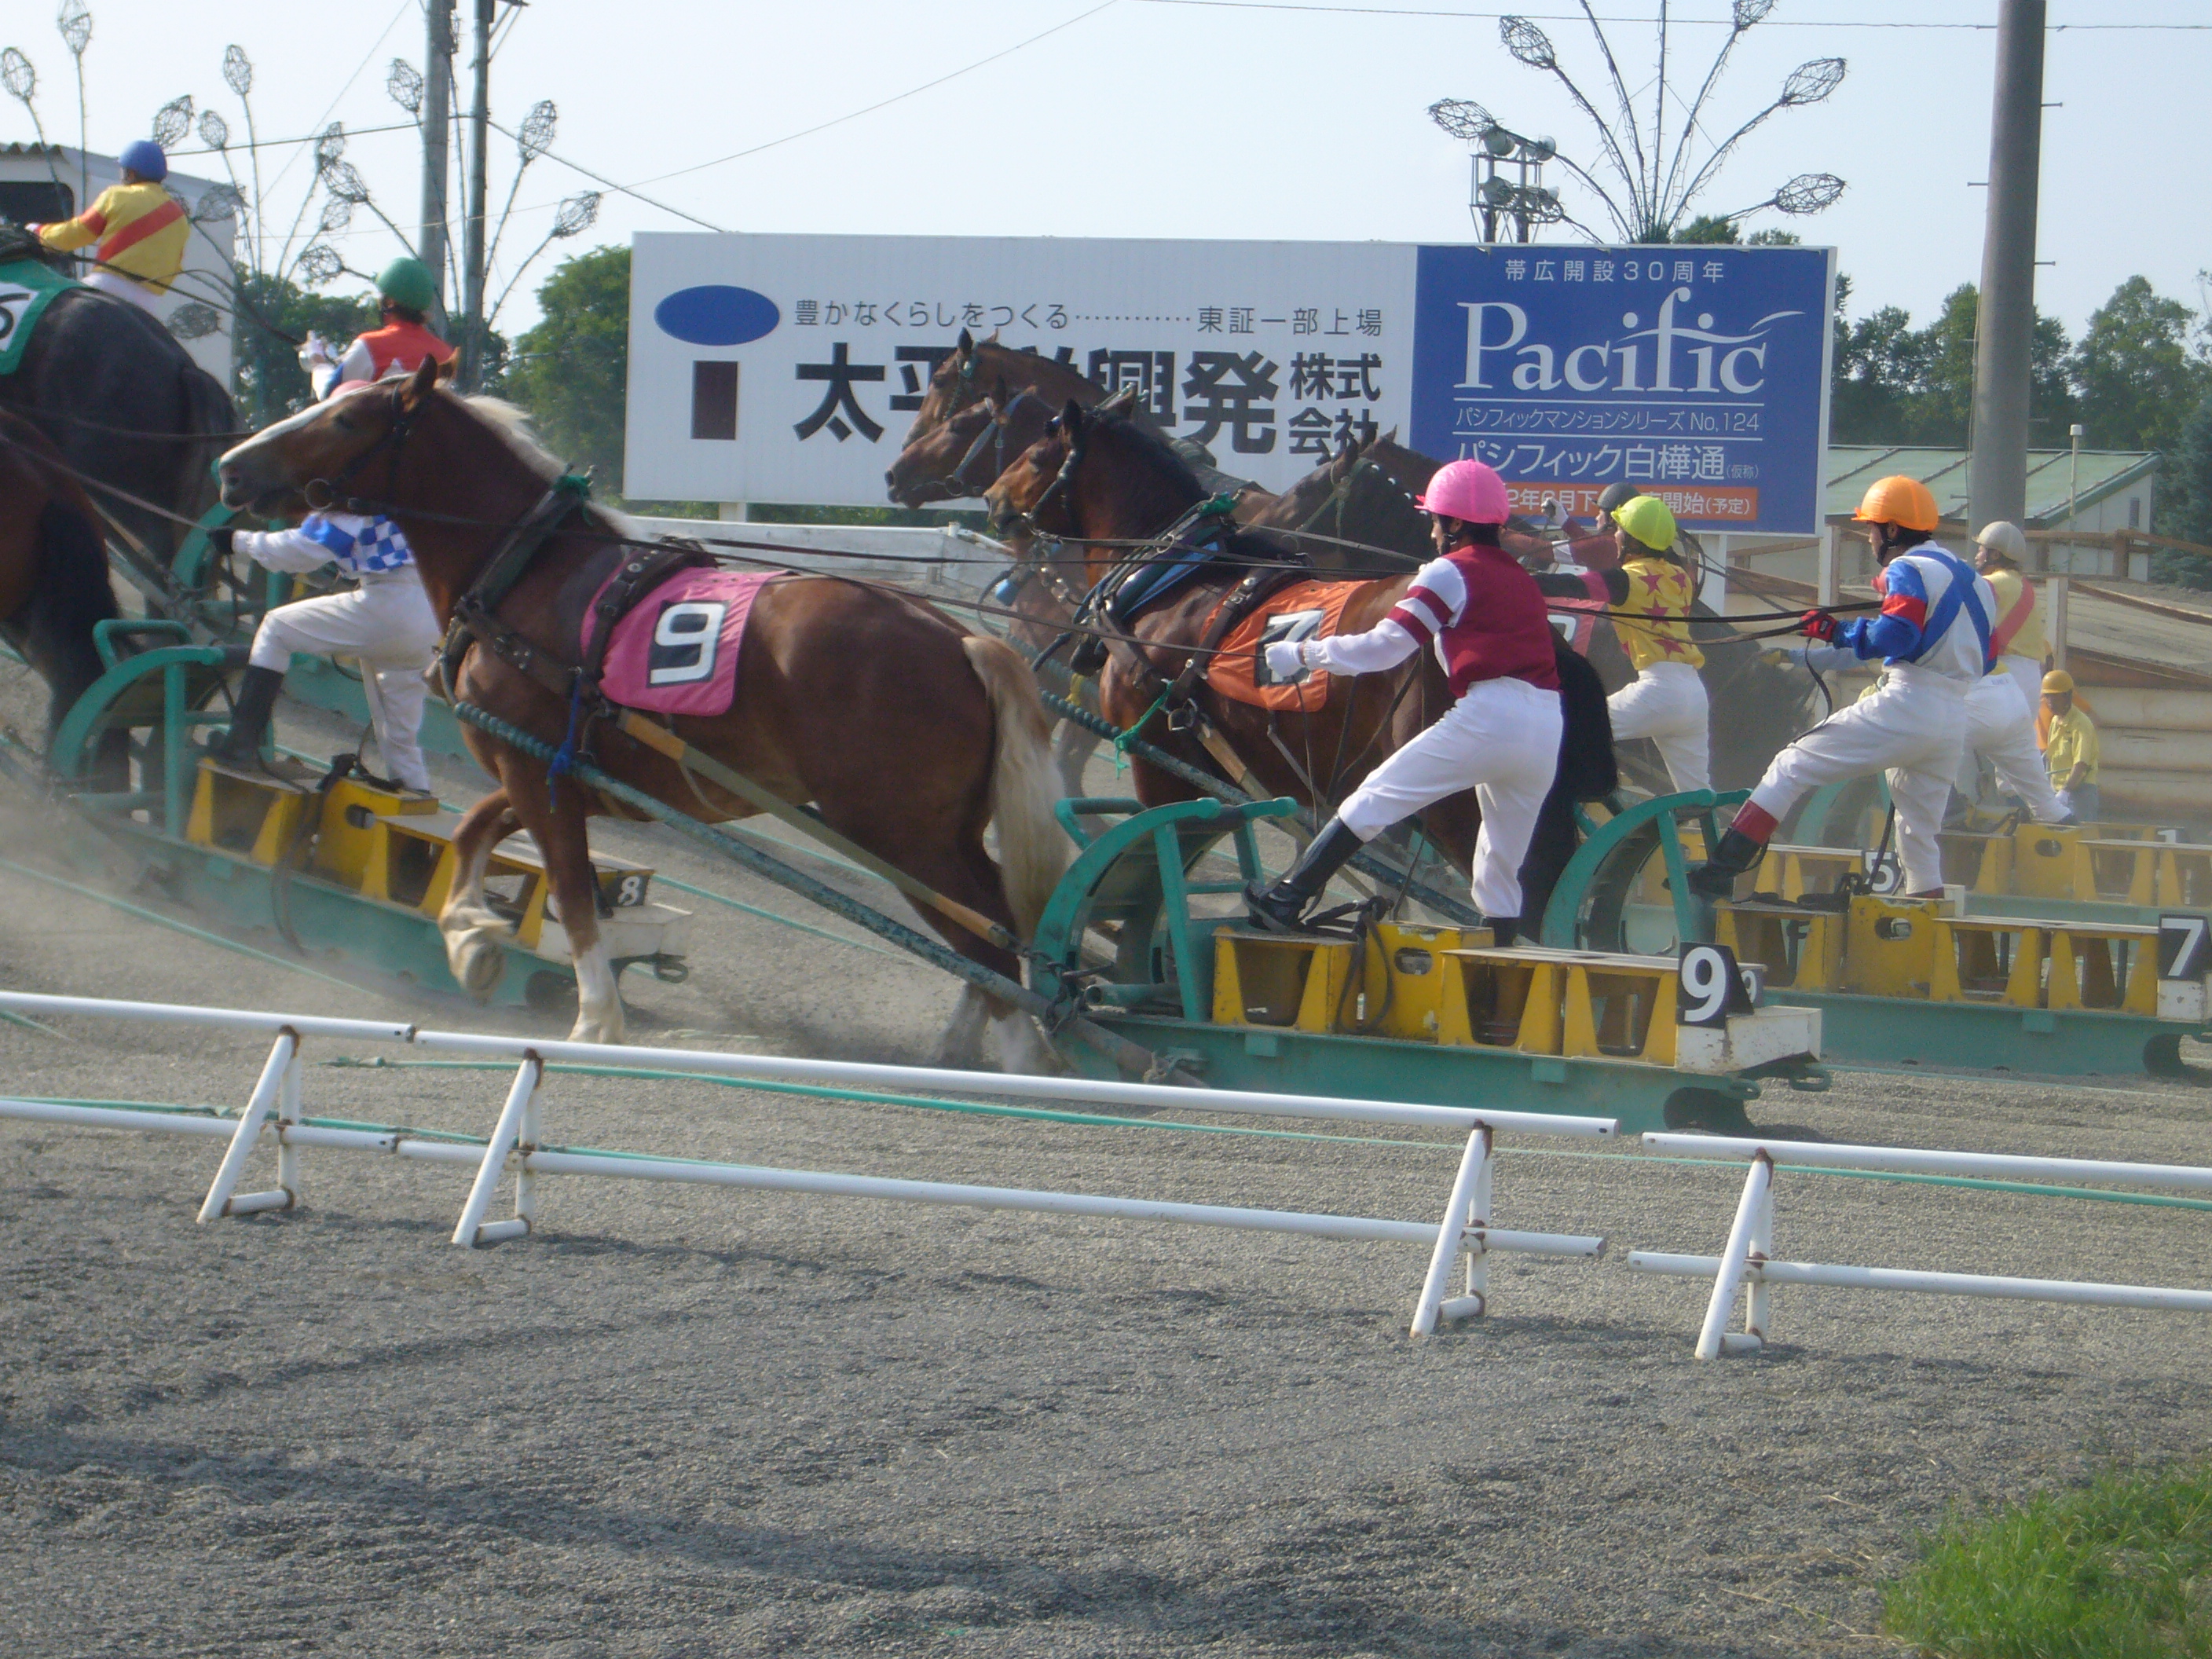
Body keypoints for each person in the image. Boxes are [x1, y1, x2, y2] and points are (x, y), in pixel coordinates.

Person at [1245, 457, 1562, 943]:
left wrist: (1304, 652)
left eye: (1436, 519)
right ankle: (1502, 958)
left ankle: (1288, 897)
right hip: (1546, 724)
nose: (1433, 529)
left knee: (1376, 797)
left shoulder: (1448, 571)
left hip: (1490, 714)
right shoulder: (1520, 578)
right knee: (1500, 863)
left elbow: (1385, 647)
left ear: (1455, 523)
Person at [1689, 475, 1995, 900]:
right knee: (1918, 835)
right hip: (1953, 718)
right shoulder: (1973, 579)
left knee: (1790, 765)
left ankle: (1722, 870)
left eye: (1871, 528)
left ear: (1891, 529)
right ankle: (1927, 932)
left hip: (1910, 702)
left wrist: (1837, 630)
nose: (1869, 539)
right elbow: (1989, 654)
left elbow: (1895, 637)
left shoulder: (1906, 569)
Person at [203, 484, 441, 793]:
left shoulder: (353, 499)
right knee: (398, 733)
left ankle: (239, 744)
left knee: (276, 629)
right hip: (430, 616)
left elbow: (304, 551)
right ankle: (415, 793)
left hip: (389, 603)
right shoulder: (406, 496)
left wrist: (239, 541)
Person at [1540, 493, 1708, 793]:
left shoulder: (1625, 579)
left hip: (1657, 692)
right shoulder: (1682, 576)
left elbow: (1570, 585)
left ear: (1632, 540)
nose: (1614, 535)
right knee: (1697, 796)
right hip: (1694, 697)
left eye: (1619, 530)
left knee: (1562, 732)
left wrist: (1507, 579)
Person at [27, 140, 188, 314]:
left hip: (108, 285)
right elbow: (176, 264)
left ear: (131, 173)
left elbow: (79, 232)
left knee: (45, 311)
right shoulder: (179, 216)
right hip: (149, 302)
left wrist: (39, 233)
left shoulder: (117, 196)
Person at [299, 258, 456, 399]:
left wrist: (317, 362)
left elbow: (330, 394)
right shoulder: (445, 353)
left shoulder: (371, 345)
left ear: (389, 302)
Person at [2042, 669, 2100, 823]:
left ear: (2067, 696)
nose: (2050, 703)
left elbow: (2081, 764)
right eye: (2047, 697)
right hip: (2058, 792)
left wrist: (2066, 791)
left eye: (2055, 697)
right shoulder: (2056, 721)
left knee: (2078, 840)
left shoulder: (2081, 723)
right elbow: (2051, 756)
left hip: (2080, 793)